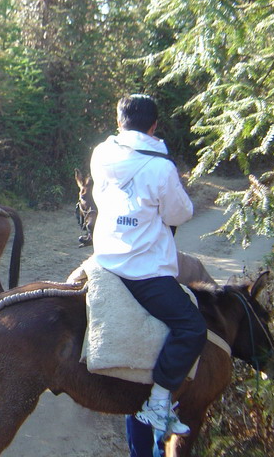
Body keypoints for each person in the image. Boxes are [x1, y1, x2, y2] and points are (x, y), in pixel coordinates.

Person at [90, 94, 206, 444]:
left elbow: (98, 197)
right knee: (192, 327)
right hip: (143, 271)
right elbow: (179, 214)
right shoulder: (161, 166)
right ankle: (158, 402)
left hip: (104, 257)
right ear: (154, 125)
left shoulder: (101, 153)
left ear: (118, 120)